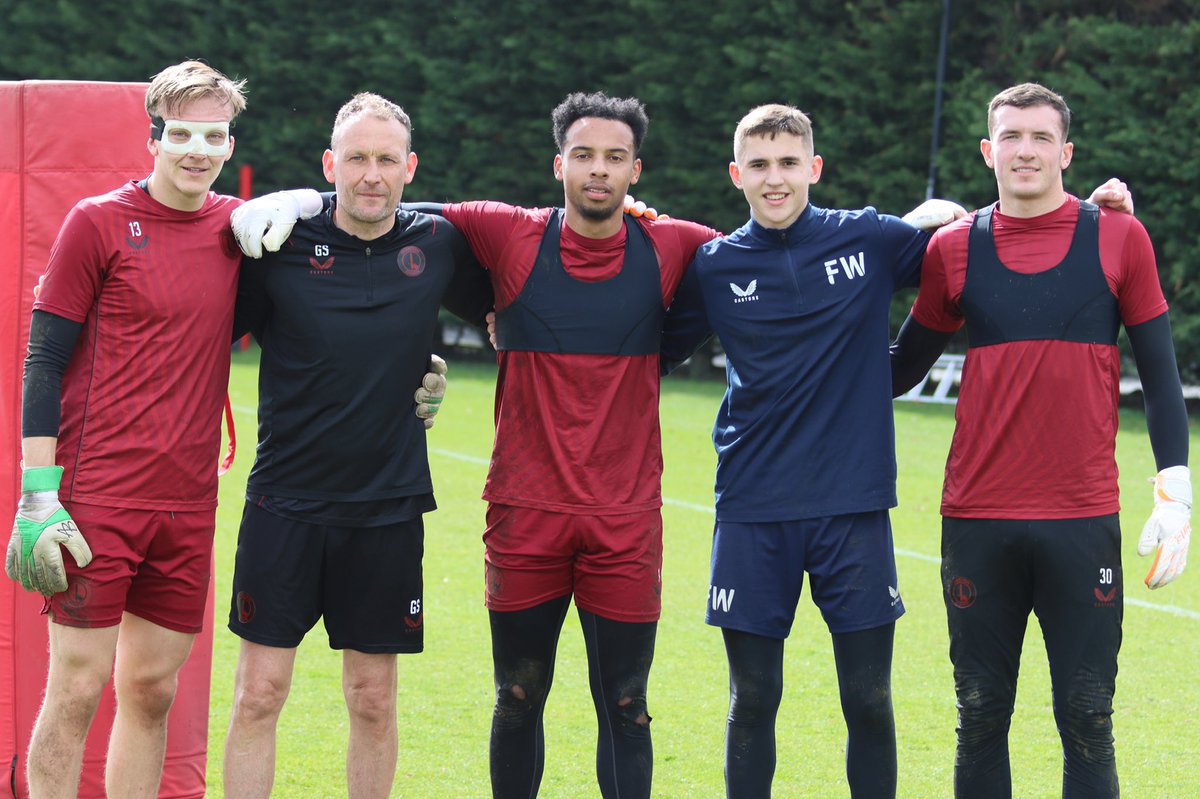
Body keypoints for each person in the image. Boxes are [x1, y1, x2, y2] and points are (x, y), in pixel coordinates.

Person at [233, 91, 723, 799]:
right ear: (558, 163)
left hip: (529, 513)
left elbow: (756, 251)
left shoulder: (663, 243)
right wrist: (304, 199)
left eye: (615, 158)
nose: (598, 169)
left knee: (615, 702)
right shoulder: (489, 232)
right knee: (504, 695)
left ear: (635, 169)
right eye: (584, 155)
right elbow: (373, 211)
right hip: (421, 508)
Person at [656, 103, 1137, 799]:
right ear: (737, 175)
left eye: (789, 162)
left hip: (853, 507)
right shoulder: (715, 266)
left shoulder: (871, 239)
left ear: (814, 167)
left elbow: (992, 247)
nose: (775, 178)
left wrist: (1087, 216)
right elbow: (647, 350)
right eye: (758, 165)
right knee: (752, 697)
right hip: (752, 507)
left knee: (870, 698)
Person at [889, 83, 1188, 798]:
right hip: (977, 520)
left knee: (1087, 715)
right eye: (1011, 137)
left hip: (1081, 519)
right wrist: (883, 253)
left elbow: (1161, 375)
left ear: (1066, 153)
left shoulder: (1119, 237)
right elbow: (894, 373)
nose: (1025, 151)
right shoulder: (952, 249)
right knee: (979, 715)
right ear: (988, 151)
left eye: (1041, 137)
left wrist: (1175, 484)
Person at [220, 92, 492, 799]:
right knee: (258, 693)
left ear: (411, 167)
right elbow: (197, 318)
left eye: (387, 159)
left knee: (372, 697)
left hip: (387, 507)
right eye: (356, 158)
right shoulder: (279, 245)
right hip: (284, 503)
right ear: (329, 163)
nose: (372, 174)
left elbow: (522, 289)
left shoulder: (438, 244)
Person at [4, 60, 245, 799]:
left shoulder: (241, 230)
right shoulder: (97, 221)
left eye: (214, 135)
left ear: (230, 145)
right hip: (97, 496)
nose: (197, 150)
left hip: (187, 502)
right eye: (182, 134)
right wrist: (38, 493)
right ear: (154, 139)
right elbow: (44, 359)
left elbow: (344, 267)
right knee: (77, 687)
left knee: (151, 690)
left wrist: (418, 373)